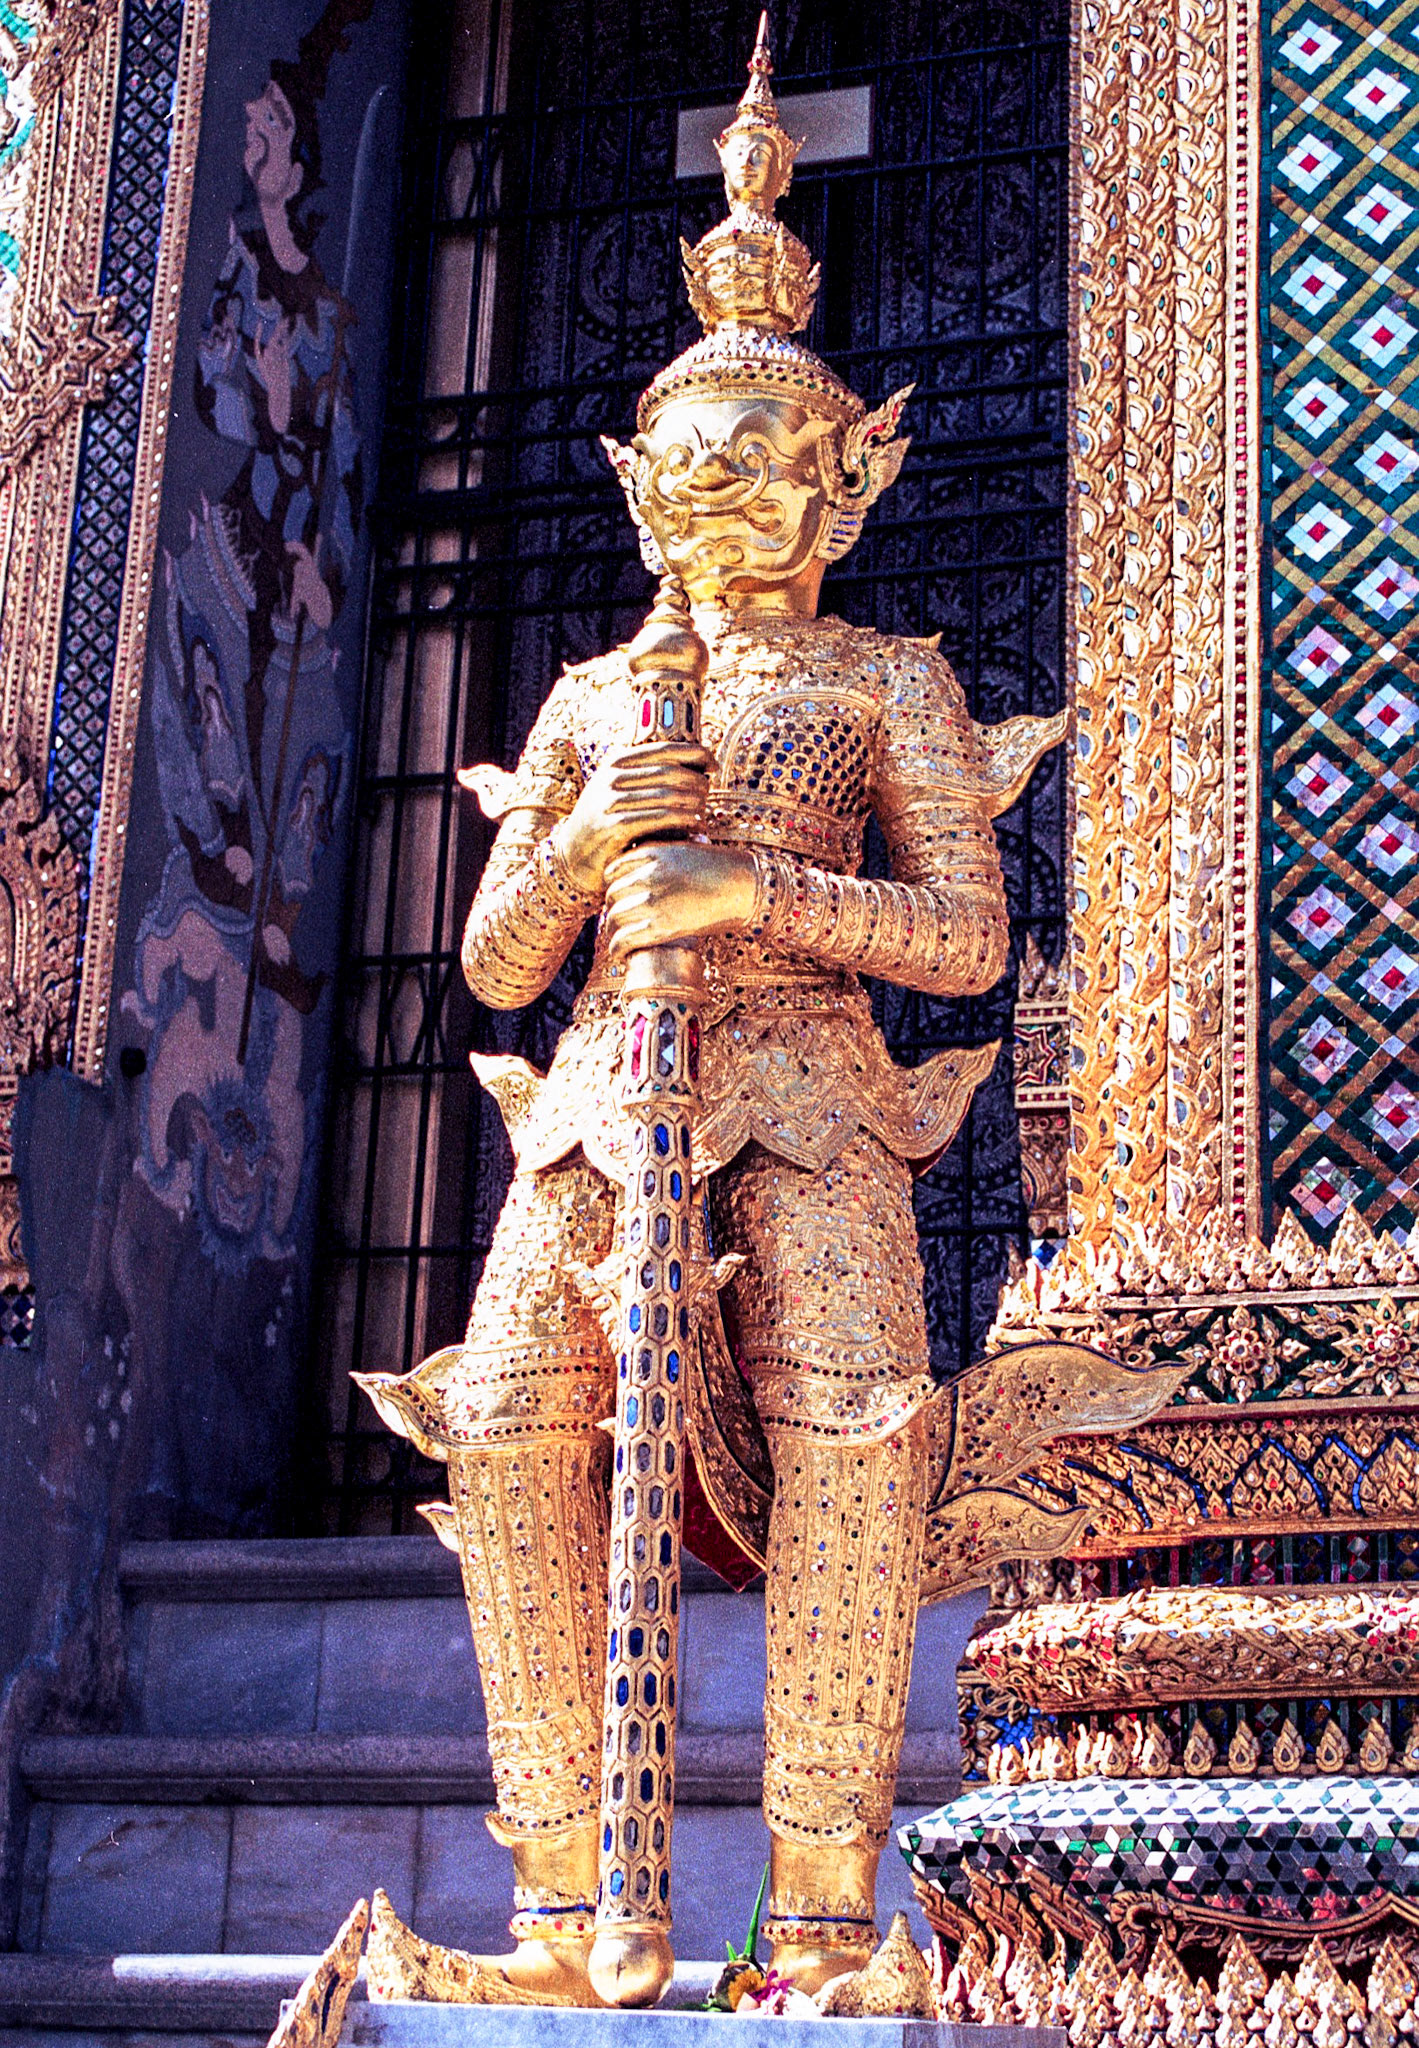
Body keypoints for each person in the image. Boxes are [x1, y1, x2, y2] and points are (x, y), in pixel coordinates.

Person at [359, 19, 1064, 2007]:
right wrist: (588, 850)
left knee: (859, 1433)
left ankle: (824, 1909)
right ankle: (570, 1905)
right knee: (503, 1429)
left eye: (766, 460)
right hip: (602, 1096)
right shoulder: (592, 698)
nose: (724, 493)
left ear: (840, 478)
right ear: (642, 486)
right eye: (689, 464)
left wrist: (756, 884)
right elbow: (498, 962)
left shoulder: (879, 683)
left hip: (811, 1089)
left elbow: (962, 938)